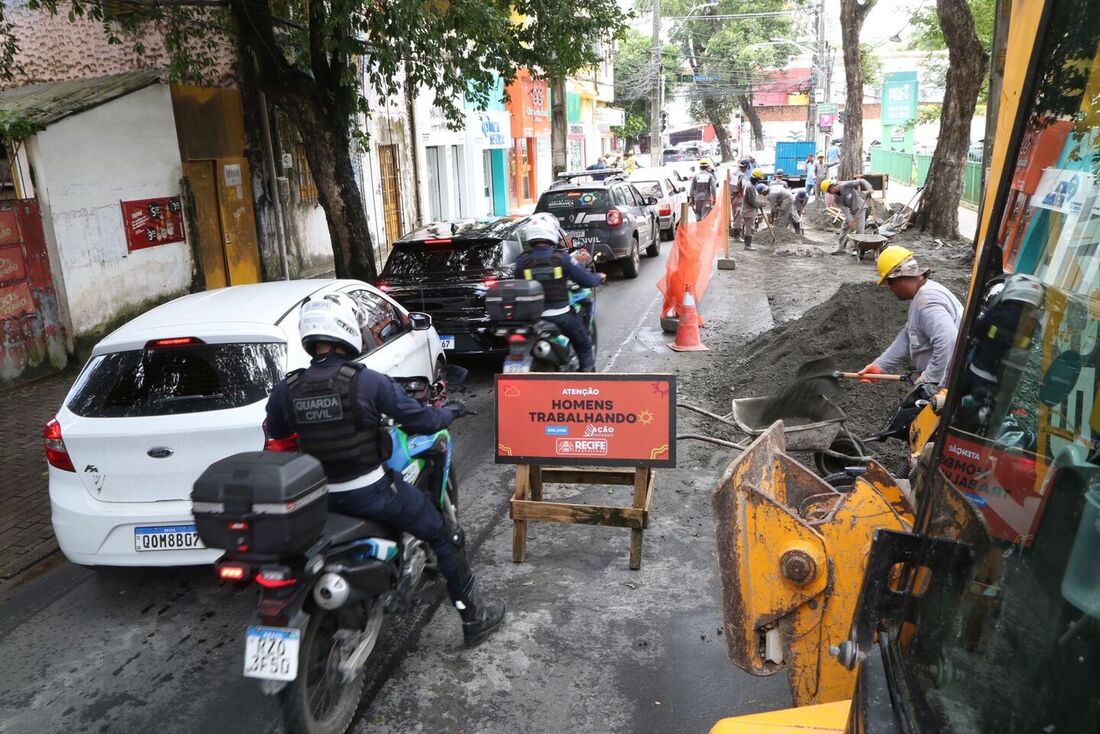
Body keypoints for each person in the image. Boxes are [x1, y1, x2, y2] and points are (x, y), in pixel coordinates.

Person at [265, 294, 506, 648]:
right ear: (348, 330)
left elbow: (280, 444)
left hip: (318, 501)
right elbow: (422, 421)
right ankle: (475, 618)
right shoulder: (367, 382)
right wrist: (449, 413)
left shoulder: (286, 390)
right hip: (370, 494)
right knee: (442, 535)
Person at [858, 246, 964, 387]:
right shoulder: (924, 293)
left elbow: (949, 340)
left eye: (890, 283)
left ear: (899, 278)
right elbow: (909, 336)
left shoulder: (927, 303)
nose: (891, 289)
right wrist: (880, 366)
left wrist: (930, 379)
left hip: (947, 386)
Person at [513, 218, 606, 371]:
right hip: (561, 315)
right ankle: (587, 384)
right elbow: (586, 279)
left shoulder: (522, 260)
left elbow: (519, 283)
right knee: (584, 345)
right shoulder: (561, 258)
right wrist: (598, 277)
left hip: (532, 319)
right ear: (551, 234)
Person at [823, 178, 874, 255]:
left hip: (860, 208)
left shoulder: (845, 185)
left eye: (832, 187)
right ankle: (841, 248)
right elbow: (845, 210)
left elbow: (861, 181)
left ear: (832, 185)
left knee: (860, 230)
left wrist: (869, 188)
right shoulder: (837, 199)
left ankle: (859, 250)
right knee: (844, 228)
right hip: (852, 211)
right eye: (830, 191)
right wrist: (850, 221)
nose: (833, 190)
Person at [740, 179, 766, 251]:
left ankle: (747, 244)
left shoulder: (747, 184)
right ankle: (747, 246)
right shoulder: (750, 187)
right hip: (749, 211)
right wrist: (762, 203)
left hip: (746, 209)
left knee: (747, 228)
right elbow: (753, 202)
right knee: (749, 228)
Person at [730, 158, 751, 238]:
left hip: (732, 197)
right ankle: (737, 236)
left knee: (735, 215)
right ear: (745, 167)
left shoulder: (733, 173)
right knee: (739, 216)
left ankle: (736, 234)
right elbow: (741, 187)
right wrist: (742, 193)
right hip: (738, 197)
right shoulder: (741, 175)